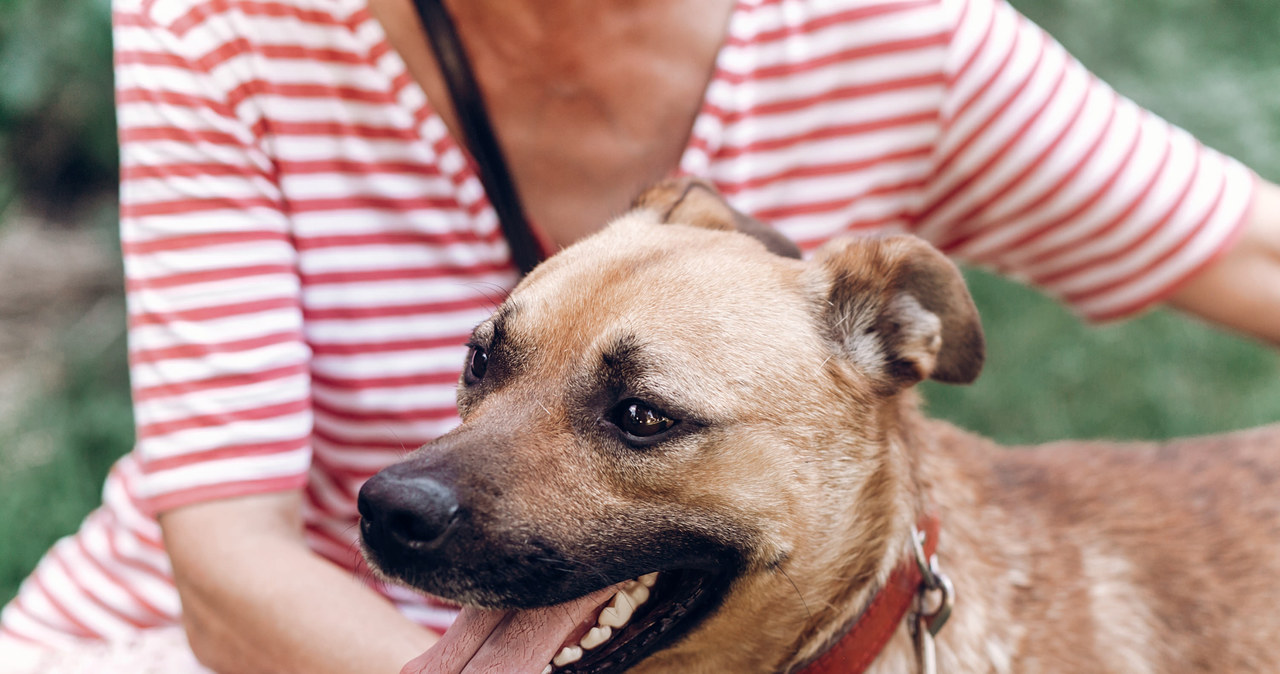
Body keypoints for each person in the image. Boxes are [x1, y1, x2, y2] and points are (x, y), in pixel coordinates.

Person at [2, 0, 1278, 671]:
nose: (427, 470)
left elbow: (1250, 253)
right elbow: (222, 570)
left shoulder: (887, 32)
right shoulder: (226, 18)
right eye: (486, 359)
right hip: (222, 636)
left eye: (640, 415)